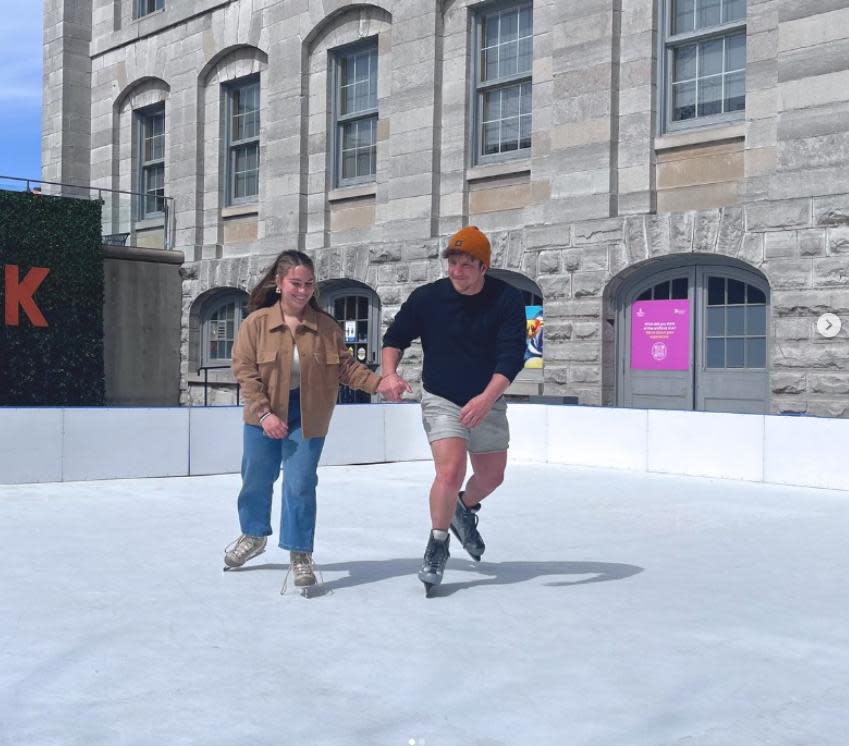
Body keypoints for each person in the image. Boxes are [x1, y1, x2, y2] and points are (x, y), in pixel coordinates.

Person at [224, 250, 400, 589]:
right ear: (278, 283)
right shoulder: (256, 324)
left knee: (300, 483)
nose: (302, 291)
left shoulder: (326, 328)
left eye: (308, 285)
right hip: (263, 414)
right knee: (257, 478)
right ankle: (253, 534)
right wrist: (263, 413)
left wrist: (381, 384)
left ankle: (300, 552)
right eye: (295, 283)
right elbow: (244, 372)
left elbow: (346, 369)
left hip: (308, 415)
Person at [381, 226, 526, 591]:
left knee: (492, 477)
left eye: (465, 264)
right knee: (450, 470)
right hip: (441, 396)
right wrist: (389, 373)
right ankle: (438, 543)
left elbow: (511, 358)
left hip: (487, 396)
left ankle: (462, 509)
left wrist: (486, 399)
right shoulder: (428, 299)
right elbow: (395, 337)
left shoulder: (506, 300)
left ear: (483, 267)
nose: (456, 271)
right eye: (452, 263)